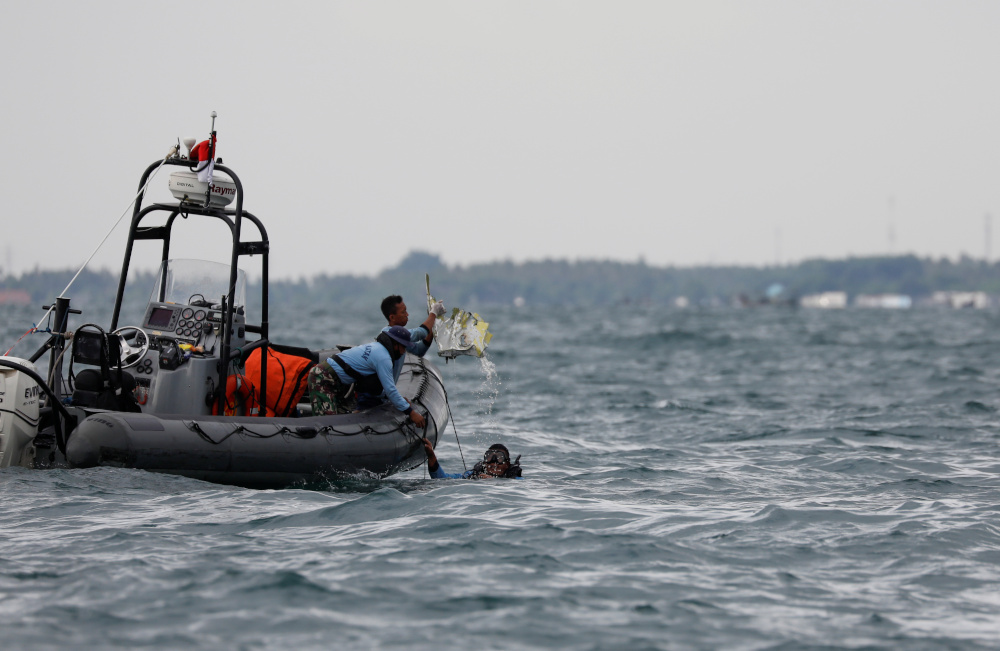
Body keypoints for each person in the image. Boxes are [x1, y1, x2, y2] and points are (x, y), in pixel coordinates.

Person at [308, 325, 426, 428]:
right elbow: (390, 390)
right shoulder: (383, 358)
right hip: (323, 377)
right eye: (403, 347)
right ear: (396, 344)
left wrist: (400, 402)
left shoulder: (377, 347)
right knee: (327, 424)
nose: (404, 351)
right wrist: (410, 412)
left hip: (336, 380)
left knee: (341, 418)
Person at [380, 294, 447, 384]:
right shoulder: (389, 333)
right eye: (403, 312)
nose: (407, 314)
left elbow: (419, 350)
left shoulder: (400, 341)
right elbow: (420, 333)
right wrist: (433, 313)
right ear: (392, 317)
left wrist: (432, 323)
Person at [421, 438, 522, 479]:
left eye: (499, 458)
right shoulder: (473, 476)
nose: (493, 463)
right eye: (489, 457)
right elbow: (441, 479)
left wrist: (494, 482)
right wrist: (431, 455)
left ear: (507, 464)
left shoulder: (514, 480)